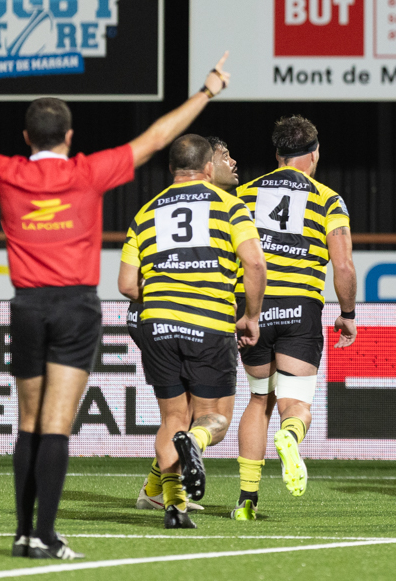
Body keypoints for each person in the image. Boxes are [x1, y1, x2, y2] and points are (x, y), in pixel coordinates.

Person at [0, 49, 232, 560]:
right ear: (68, 136)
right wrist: (207, 91)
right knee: (56, 425)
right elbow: (156, 138)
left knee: (28, 423)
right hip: (75, 310)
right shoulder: (89, 171)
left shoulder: (6, 171)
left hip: (28, 307)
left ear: (26, 137)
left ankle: (24, 534)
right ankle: (45, 535)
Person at [117, 135, 266, 529]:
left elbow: (127, 285)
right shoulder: (230, 206)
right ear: (208, 168)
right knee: (214, 419)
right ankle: (195, 444)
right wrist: (251, 317)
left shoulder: (146, 212)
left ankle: (173, 504)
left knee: (172, 419)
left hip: (156, 324)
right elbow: (254, 264)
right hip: (209, 323)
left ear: (172, 169)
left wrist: (166, 290)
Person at [232, 116, 357, 518]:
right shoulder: (328, 200)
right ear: (315, 154)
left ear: (277, 154)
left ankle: (246, 499)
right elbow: (344, 266)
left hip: (252, 308)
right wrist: (348, 314)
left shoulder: (244, 194)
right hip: (299, 307)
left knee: (258, 399)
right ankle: (289, 436)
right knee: (295, 404)